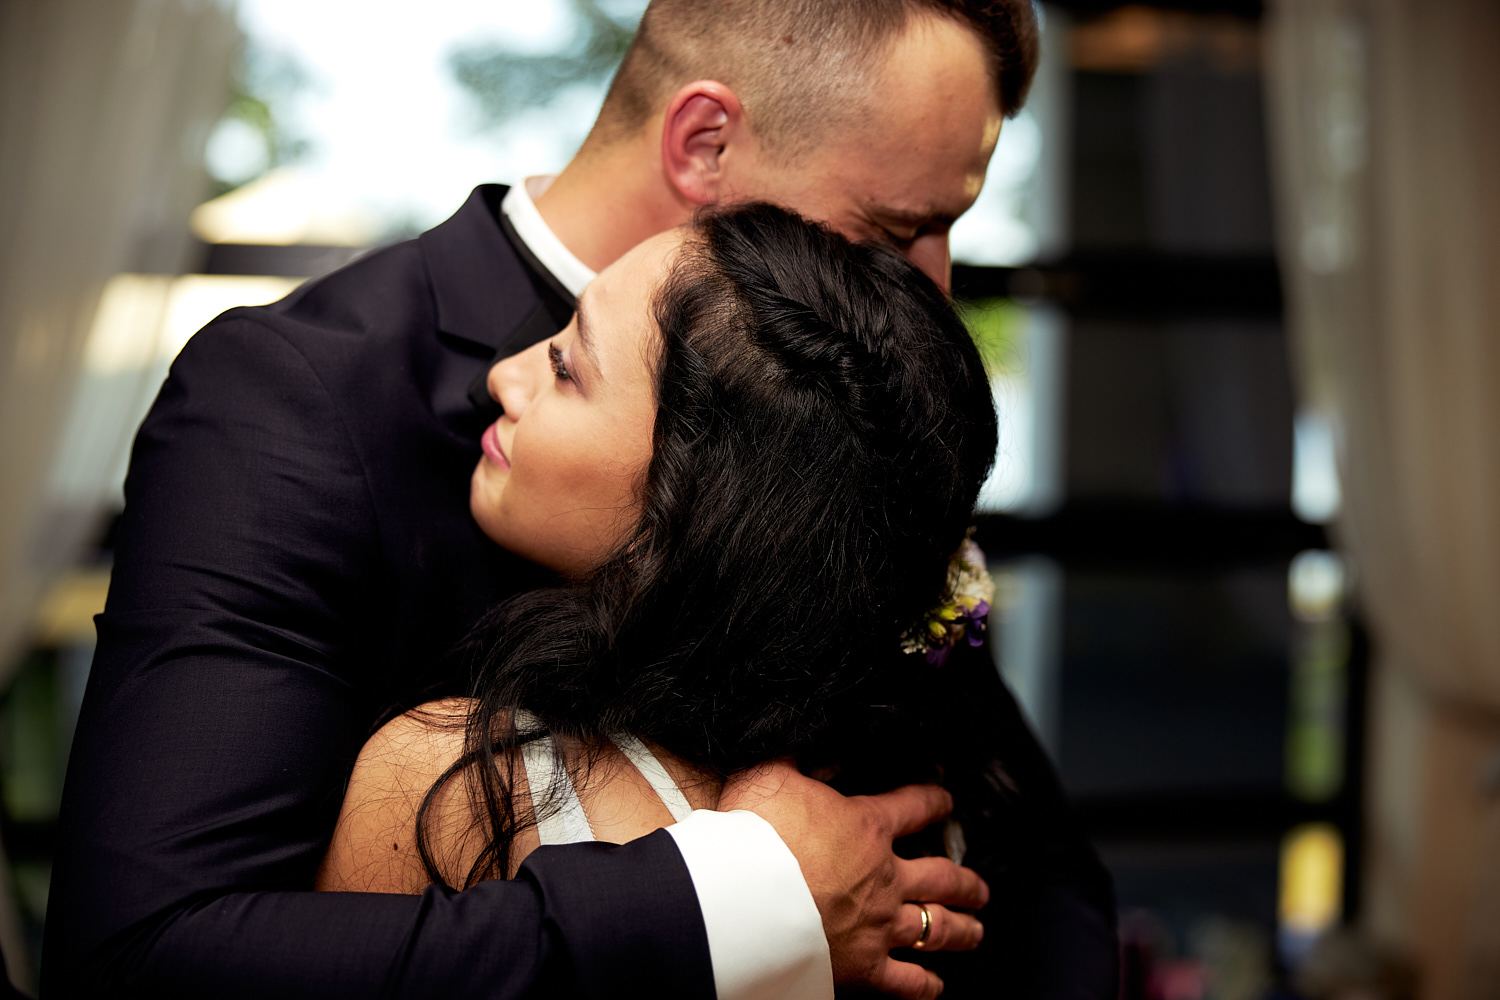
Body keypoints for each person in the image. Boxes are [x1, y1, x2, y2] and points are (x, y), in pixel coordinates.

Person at [45, 1, 1116, 997]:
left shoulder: (843, 426)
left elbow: (1040, 872)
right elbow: (144, 956)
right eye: (891, 231)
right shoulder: (301, 402)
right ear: (704, 145)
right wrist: (738, 904)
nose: (931, 286)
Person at [318, 203, 997, 979]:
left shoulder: (458, 789)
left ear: (696, 507)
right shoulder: (912, 806)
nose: (503, 376)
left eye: (567, 369)